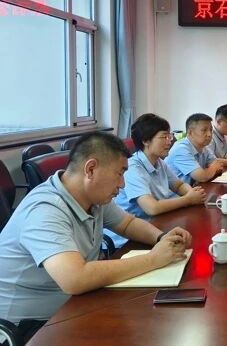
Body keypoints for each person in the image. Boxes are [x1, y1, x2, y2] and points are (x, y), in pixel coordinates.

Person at [0, 132, 192, 342]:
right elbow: (75, 278)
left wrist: (161, 237)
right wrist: (153, 259)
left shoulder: (93, 196)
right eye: (119, 173)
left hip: (75, 304)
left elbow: (127, 224)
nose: (122, 184)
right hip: (29, 327)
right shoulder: (45, 210)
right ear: (90, 169)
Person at [107, 114, 208, 248]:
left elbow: (178, 185)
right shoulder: (133, 168)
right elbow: (152, 208)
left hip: (156, 225)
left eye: (169, 136)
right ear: (146, 141)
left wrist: (192, 193)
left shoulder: (159, 162)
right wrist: (188, 199)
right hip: (129, 239)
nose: (169, 141)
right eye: (163, 137)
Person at [165, 113, 224, 184]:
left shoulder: (204, 147)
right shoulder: (181, 149)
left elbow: (219, 167)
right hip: (177, 191)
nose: (209, 134)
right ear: (190, 133)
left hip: (194, 189)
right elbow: (202, 177)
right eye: (204, 130)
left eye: (211, 130)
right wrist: (212, 169)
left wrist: (208, 171)